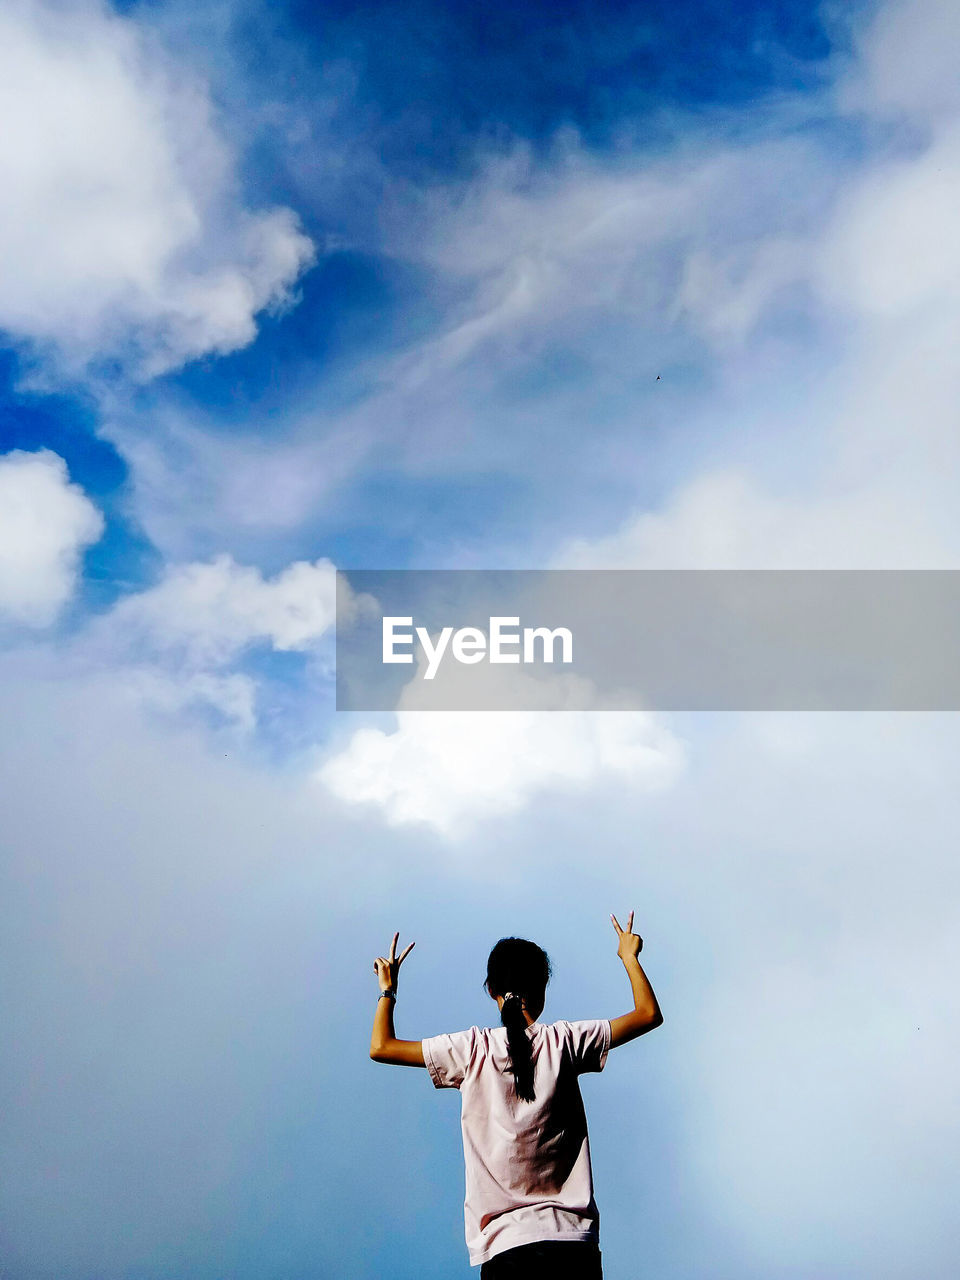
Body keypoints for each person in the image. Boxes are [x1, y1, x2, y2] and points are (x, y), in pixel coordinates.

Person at [369, 912, 663, 1277]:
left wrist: (388, 989)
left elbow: (381, 1047)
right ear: (540, 992)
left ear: (492, 990)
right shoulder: (565, 1041)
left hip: (504, 1248)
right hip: (572, 1245)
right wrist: (629, 956)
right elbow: (648, 1014)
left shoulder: (470, 1050)